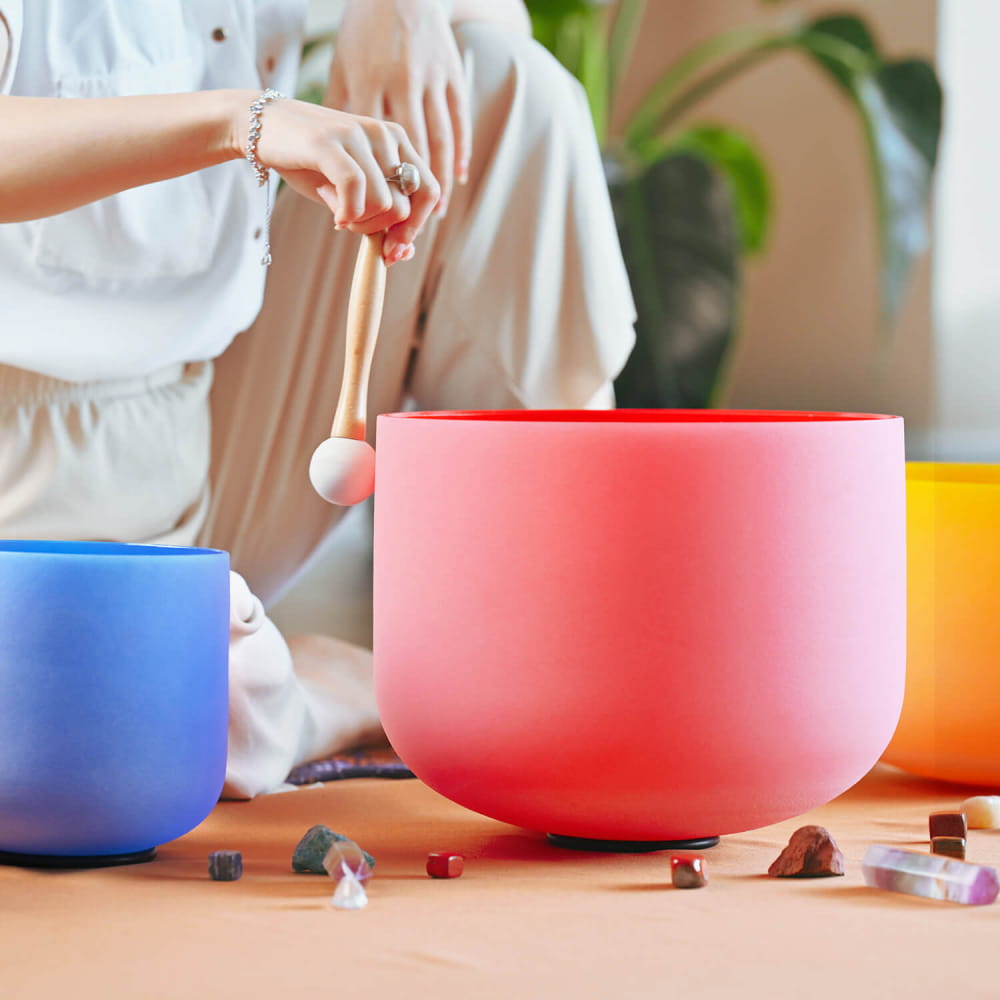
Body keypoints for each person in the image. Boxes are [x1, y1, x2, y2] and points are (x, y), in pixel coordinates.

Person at [0, 0, 636, 796]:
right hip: (22, 484)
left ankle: (574, 663)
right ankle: (334, 687)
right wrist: (245, 121)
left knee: (506, 89)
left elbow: (506, 24)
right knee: (146, 739)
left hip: (197, 422)